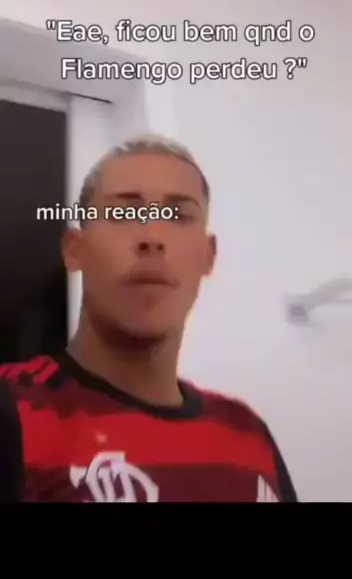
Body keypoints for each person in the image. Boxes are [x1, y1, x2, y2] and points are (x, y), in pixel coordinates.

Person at [0, 135, 297, 502]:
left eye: (179, 216)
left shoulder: (249, 434)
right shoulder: (13, 408)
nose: (153, 236)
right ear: (75, 250)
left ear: (208, 256)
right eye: (123, 214)